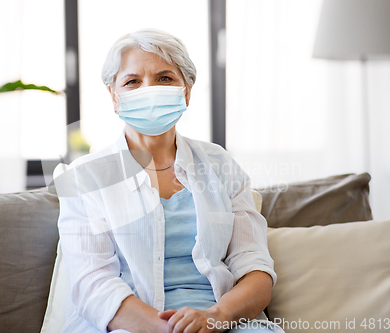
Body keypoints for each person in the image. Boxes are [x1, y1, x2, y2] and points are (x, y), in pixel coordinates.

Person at [53, 28, 285, 333]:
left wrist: (214, 318)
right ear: (114, 96)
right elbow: (93, 285)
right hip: (127, 326)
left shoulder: (220, 165)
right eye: (132, 81)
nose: (148, 90)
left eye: (164, 78)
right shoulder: (85, 178)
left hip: (221, 322)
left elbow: (255, 269)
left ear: (186, 91)